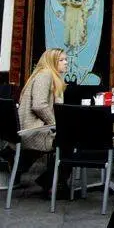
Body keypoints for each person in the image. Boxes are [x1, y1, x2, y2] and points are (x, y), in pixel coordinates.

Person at [15, 48, 69, 197]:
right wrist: (57, 124)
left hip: (36, 129)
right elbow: (39, 105)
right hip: (34, 131)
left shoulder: (49, 75)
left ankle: (50, 181)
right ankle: (53, 184)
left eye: (66, 59)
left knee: (70, 140)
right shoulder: (45, 75)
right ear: (51, 61)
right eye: (62, 60)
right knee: (71, 142)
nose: (66, 63)